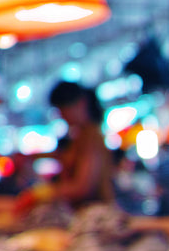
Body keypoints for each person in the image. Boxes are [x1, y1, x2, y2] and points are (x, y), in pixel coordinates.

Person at [41, 80, 116, 208]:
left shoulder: (91, 136)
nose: (62, 115)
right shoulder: (79, 136)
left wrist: (43, 193)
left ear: (81, 103)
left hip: (96, 214)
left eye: (64, 109)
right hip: (83, 213)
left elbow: (83, 187)